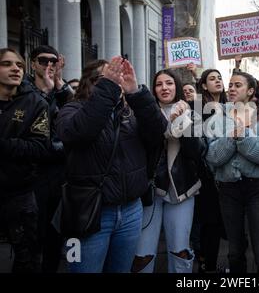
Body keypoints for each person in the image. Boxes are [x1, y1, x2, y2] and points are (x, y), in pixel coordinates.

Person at [56, 57, 167, 273]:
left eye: (120, 77)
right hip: (87, 213)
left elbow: (157, 132)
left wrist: (136, 92)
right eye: (110, 77)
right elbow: (80, 132)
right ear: (91, 82)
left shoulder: (130, 112)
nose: (117, 81)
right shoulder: (71, 110)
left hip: (130, 211)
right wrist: (107, 88)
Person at [133, 69, 205, 273]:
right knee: (143, 252)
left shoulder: (192, 112)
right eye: (159, 84)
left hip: (181, 190)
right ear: (153, 89)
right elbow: (147, 145)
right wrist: (167, 124)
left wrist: (182, 122)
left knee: (179, 249)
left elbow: (196, 152)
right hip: (150, 191)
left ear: (177, 87)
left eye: (169, 83)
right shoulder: (145, 114)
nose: (164, 88)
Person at [206, 71, 259, 273]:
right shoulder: (217, 118)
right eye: (230, 85)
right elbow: (212, 157)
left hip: (257, 189)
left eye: (237, 85)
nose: (231, 88)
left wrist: (243, 136)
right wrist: (231, 138)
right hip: (228, 189)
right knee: (235, 250)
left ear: (251, 91)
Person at [0, 48, 50, 272]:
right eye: (7, 64)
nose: (15, 69)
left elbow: (40, 148)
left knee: (27, 259)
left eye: (19, 65)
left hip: (20, 194)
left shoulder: (35, 103)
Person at [25, 45, 73, 272]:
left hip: (59, 171)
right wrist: (45, 91)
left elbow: (75, 112)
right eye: (43, 61)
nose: (48, 66)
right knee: (33, 234)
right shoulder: (24, 90)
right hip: (32, 173)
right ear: (33, 63)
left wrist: (59, 84)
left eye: (53, 62)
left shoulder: (60, 90)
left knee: (56, 232)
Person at [194, 68, 228, 273]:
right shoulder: (199, 107)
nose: (218, 81)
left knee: (221, 221)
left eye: (219, 78)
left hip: (226, 173)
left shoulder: (228, 106)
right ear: (204, 85)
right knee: (210, 222)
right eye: (212, 79)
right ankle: (207, 265)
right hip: (206, 173)